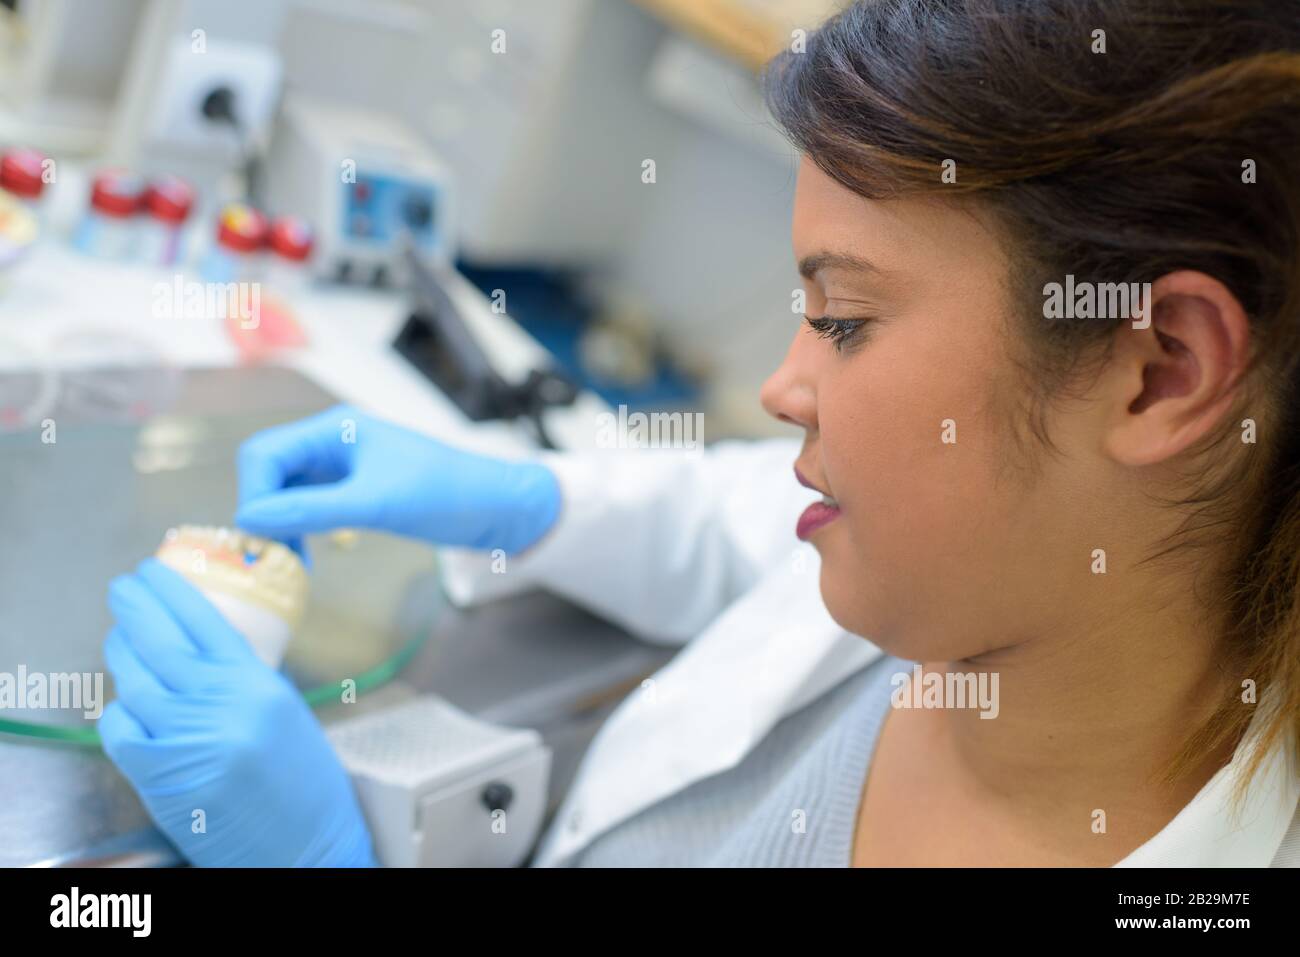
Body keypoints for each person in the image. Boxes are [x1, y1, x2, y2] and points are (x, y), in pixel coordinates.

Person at [100, 0, 1300, 866]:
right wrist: (529, 502)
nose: (784, 385)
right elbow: (754, 526)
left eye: (842, 319)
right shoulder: (965, 575)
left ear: (1158, 372)